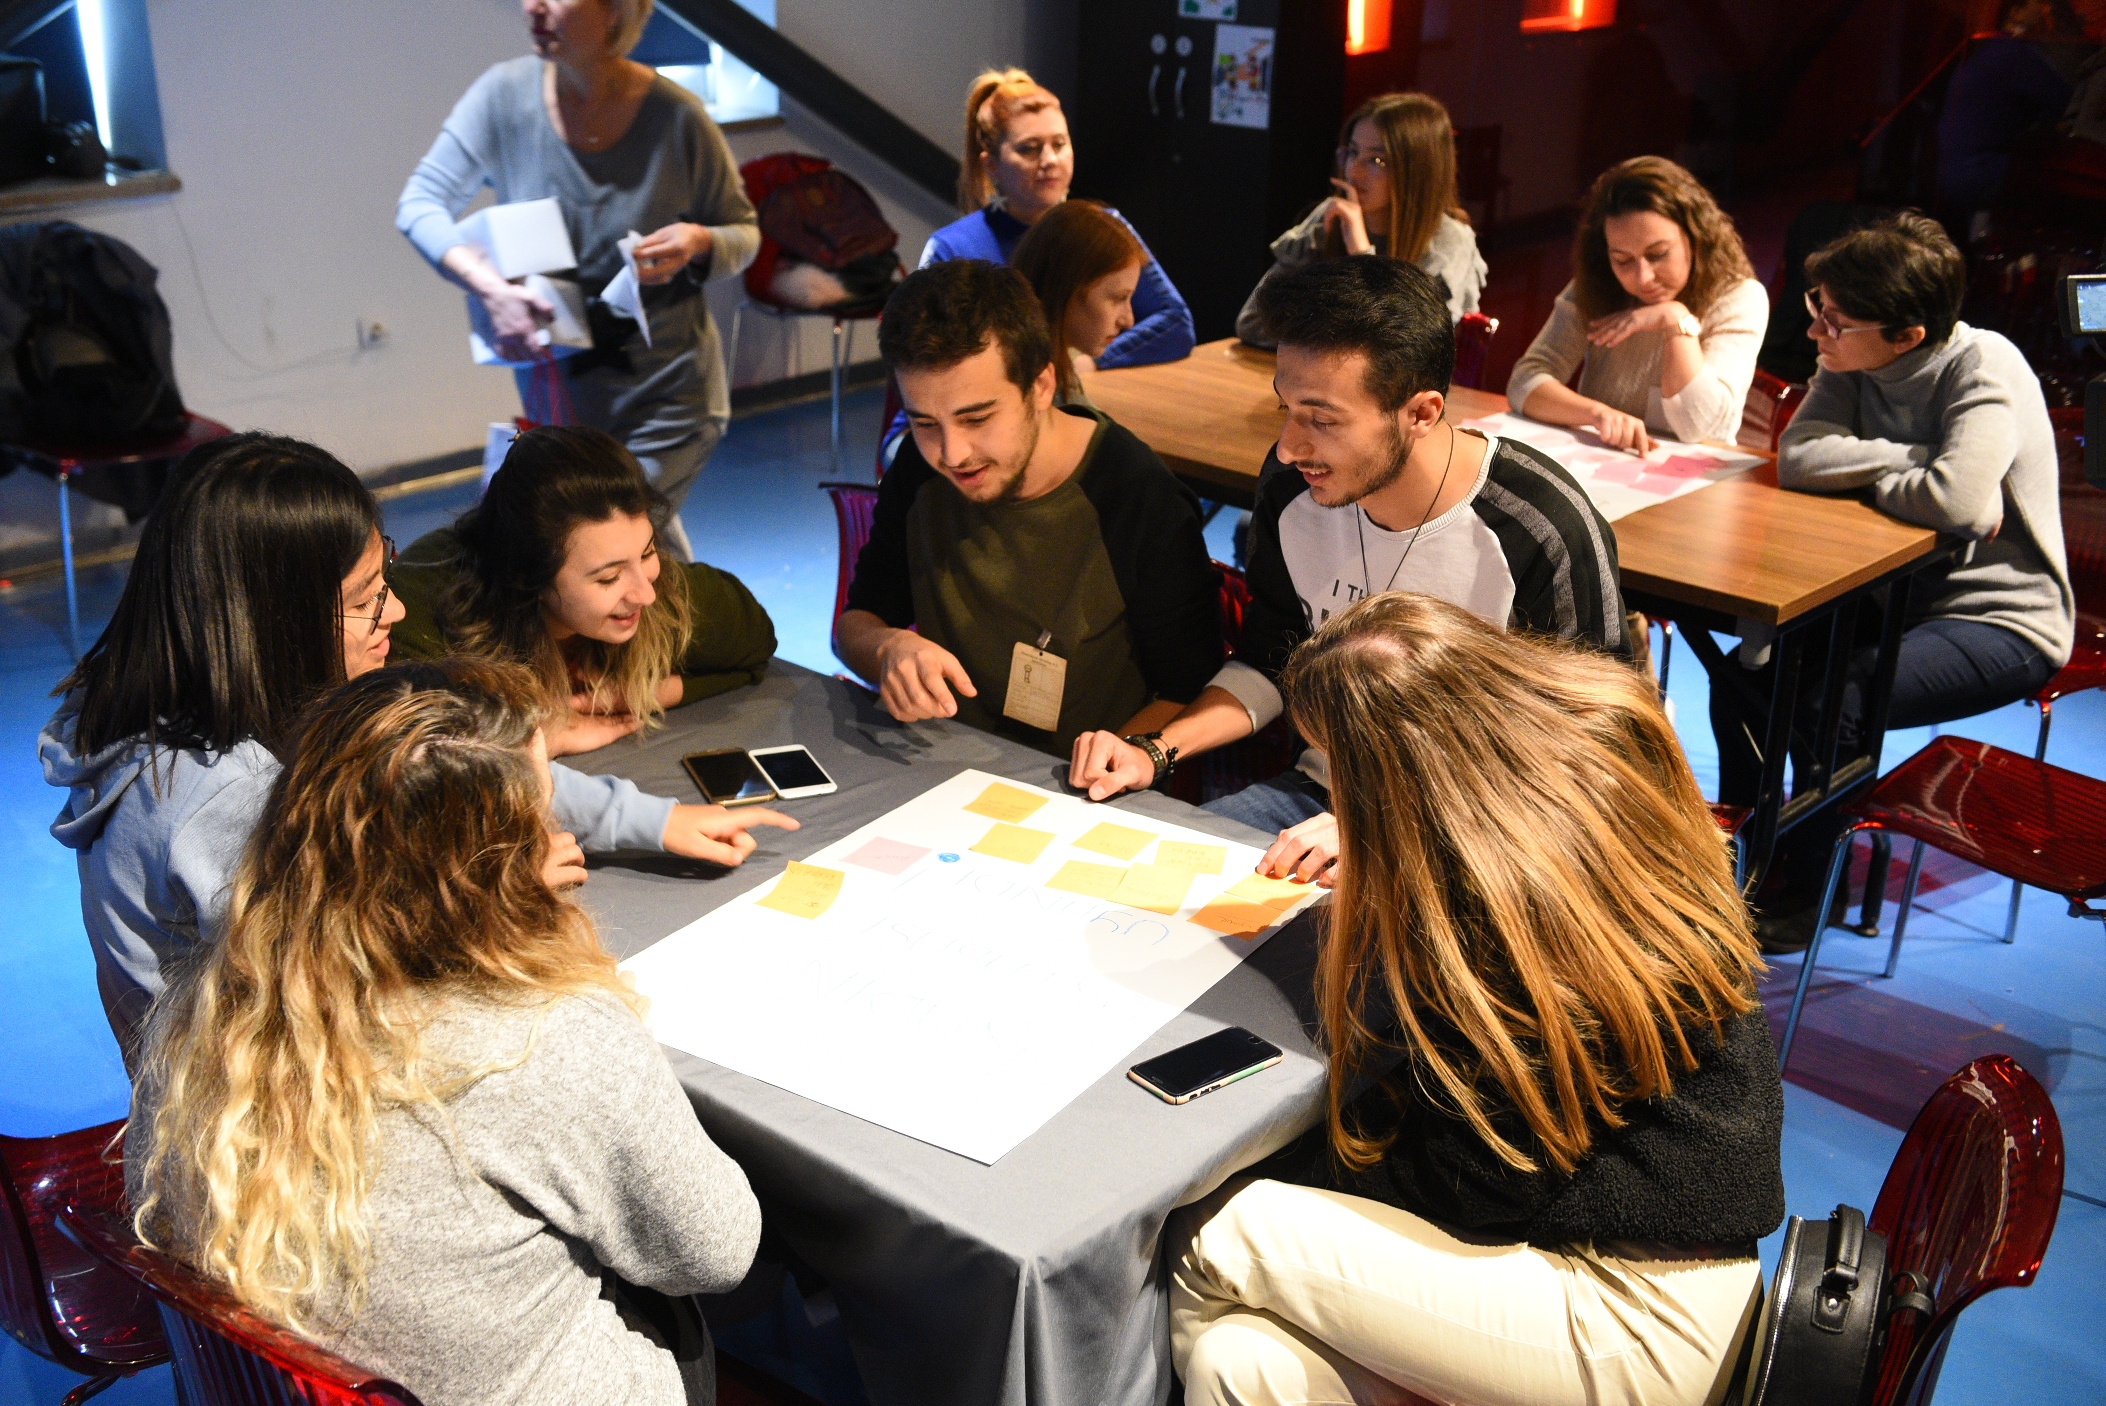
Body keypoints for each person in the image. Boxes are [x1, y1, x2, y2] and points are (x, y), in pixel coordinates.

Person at [1169, 593, 1782, 1406]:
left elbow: (1482, 1179)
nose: (1334, 799)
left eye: (1340, 771)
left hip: (1632, 1310)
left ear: (1394, 775)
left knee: (1214, 1233)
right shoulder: (1576, 775)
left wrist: (1282, 1163)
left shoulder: (1505, 900)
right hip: (1641, 1249)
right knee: (1241, 1361)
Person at [41, 434, 794, 1065]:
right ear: (274, 621)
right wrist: (491, 893)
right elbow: (332, 1009)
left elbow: (451, 772)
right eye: (367, 598)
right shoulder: (219, 806)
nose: (396, 611)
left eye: (386, 581)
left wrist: (652, 821)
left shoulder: (261, 708)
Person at [127, 657, 761, 1406]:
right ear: (496, 867)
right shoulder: (551, 1037)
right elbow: (717, 1253)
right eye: (540, 816)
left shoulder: (203, 1011)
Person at [1070, 258, 1627, 878]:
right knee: (1141, 879)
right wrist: (1155, 750)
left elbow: (1596, 755)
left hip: (1483, 833)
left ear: (1421, 413)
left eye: (1323, 420)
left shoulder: (1538, 527)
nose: (1289, 447)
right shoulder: (1295, 488)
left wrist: (1396, 835)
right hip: (1316, 800)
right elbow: (1273, 661)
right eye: (1285, 409)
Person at [1716, 211, 2072, 949]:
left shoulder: (1985, 365)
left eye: (1834, 321)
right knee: (1743, 681)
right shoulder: (1849, 360)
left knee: (1838, 702)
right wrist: (1914, 462)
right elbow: (1801, 458)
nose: (1815, 332)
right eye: (1817, 309)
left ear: (1907, 335)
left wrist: (1899, 473)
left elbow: (1959, 502)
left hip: (1999, 618)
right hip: (1889, 599)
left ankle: (1813, 887)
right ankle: (1747, 855)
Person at [397, 0, 758, 561]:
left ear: (615, 9)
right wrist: (490, 289)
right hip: (561, 400)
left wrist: (699, 241)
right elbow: (420, 204)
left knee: (609, 540)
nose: (533, 7)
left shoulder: (677, 117)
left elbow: (744, 232)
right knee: (630, 546)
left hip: (668, 398)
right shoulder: (503, 97)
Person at [838, 258, 1222, 756]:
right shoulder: (920, 468)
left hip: (1077, 784)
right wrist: (889, 647)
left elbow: (1188, 691)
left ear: (1040, 387)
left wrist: (1114, 762)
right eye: (925, 423)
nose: (952, 453)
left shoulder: (1136, 496)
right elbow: (856, 623)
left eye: (977, 418)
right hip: (939, 761)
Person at [389, 425, 776, 758]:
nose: (645, 594)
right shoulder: (425, 609)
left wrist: (638, 695)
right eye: (609, 578)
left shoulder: (651, 587)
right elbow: (406, 759)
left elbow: (754, 644)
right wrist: (535, 741)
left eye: (648, 553)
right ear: (528, 576)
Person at [921, 68, 1194, 370]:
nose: (1050, 160)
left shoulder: (1102, 229)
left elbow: (1175, 323)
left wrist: (1086, 363)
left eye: (1060, 144)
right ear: (991, 165)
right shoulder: (951, 249)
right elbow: (926, 360)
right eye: (1029, 149)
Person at [1508, 156, 1768, 453]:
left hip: (1697, 472)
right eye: (1622, 260)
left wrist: (1675, 319)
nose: (1643, 277)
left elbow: (1696, 427)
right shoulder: (1598, 283)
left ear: (1697, 237)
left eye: (1658, 254)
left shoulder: (1739, 297)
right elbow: (1524, 382)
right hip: (1603, 462)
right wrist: (1597, 414)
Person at [1235, 92, 1487, 342]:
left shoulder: (1448, 241)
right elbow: (1254, 321)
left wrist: (1361, 255)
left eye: (1377, 160)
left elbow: (1408, 350)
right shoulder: (1334, 213)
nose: (1353, 172)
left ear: (1416, 171)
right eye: (1353, 152)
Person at [1010, 198, 1145, 404]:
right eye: (1118, 298)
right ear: (1066, 288)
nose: (1128, 320)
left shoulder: (1054, 367)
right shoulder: (1035, 393)